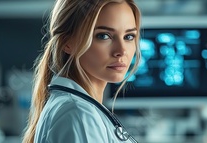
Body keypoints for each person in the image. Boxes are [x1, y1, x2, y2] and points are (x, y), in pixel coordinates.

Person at [22, 0, 142, 142]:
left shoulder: (76, 109)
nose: (121, 51)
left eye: (129, 37)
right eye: (104, 36)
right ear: (68, 43)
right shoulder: (79, 115)